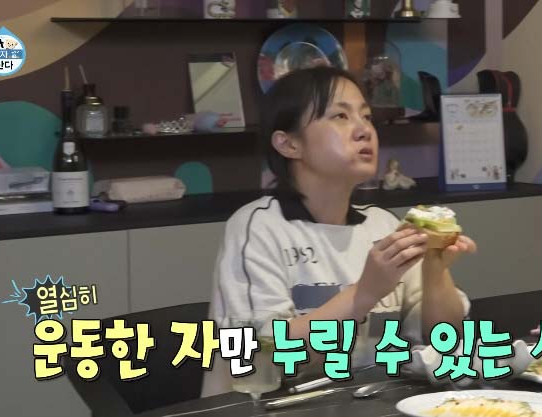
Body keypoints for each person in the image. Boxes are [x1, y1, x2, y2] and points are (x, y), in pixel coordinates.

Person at [204, 66, 476, 394]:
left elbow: (441, 338)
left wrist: (435, 270)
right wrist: (365, 294)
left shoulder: (384, 225)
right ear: (289, 144)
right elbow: (264, 357)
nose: (364, 130)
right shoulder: (258, 228)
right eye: (340, 116)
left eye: (367, 116)